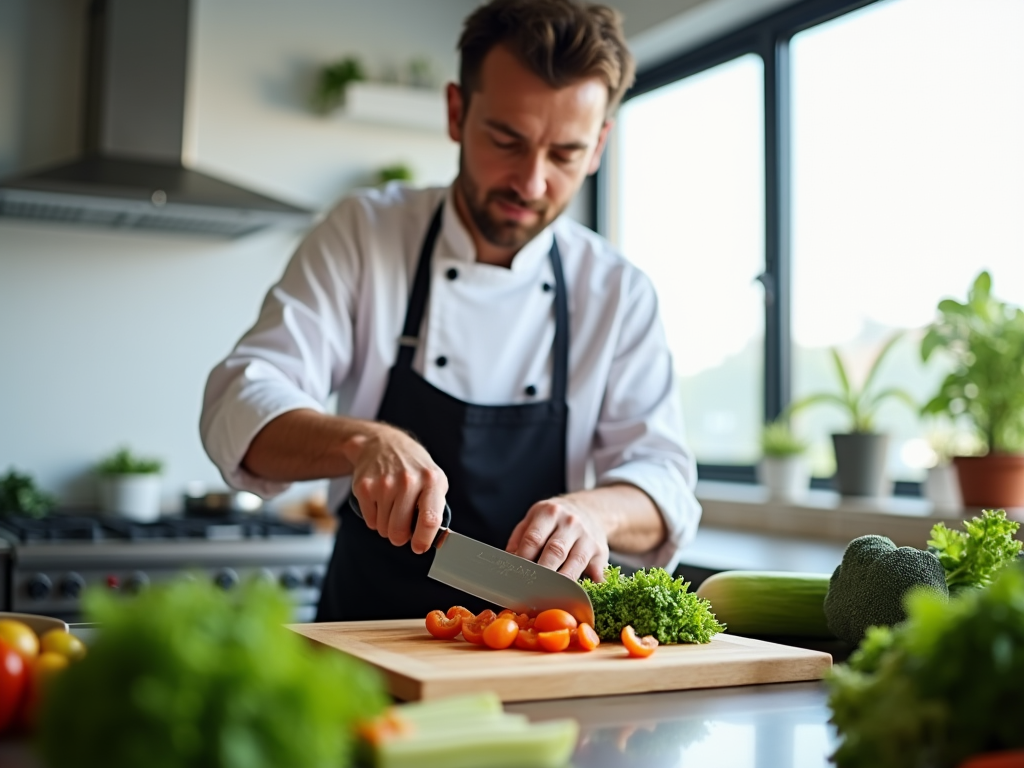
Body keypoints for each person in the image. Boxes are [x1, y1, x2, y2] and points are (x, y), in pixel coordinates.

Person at [200, 0, 701, 622]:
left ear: (599, 145)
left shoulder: (617, 291)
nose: (532, 182)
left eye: (565, 154)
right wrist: (365, 441)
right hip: (364, 640)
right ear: (457, 112)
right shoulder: (365, 233)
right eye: (506, 140)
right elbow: (239, 402)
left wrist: (596, 512)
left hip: (532, 649)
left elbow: (666, 484)